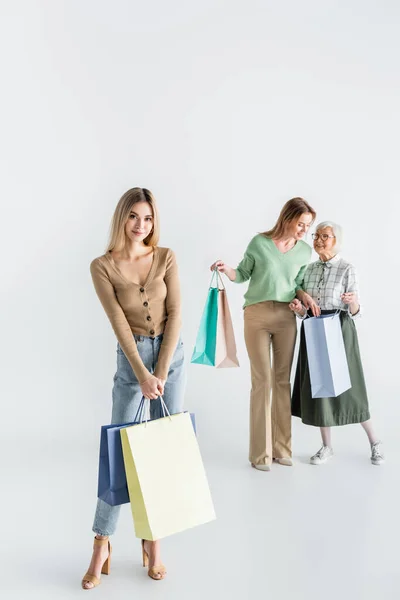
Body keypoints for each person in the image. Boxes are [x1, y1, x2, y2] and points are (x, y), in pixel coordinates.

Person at [81, 187, 185, 588]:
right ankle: (101, 543)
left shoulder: (166, 257)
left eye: (148, 218)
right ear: (121, 218)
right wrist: (142, 373)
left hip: (171, 360)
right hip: (132, 362)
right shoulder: (102, 266)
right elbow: (119, 324)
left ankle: (152, 539)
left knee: (162, 451)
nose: (141, 225)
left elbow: (176, 313)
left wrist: (160, 370)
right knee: (118, 451)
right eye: (134, 217)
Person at [210, 198, 316, 471]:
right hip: (256, 315)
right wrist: (225, 269)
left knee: (282, 382)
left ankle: (282, 449)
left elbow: (299, 285)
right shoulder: (259, 243)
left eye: (308, 225)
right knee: (262, 381)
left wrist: (302, 299)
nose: (304, 230)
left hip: (285, 317)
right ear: (287, 217)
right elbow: (242, 274)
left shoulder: (304, 252)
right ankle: (260, 454)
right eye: (300, 223)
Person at [290, 221, 384, 466]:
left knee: (352, 388)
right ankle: (326, 447)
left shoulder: (346, 268)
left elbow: (355, 310)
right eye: (317, 235)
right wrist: (299, 309)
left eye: (326, 236)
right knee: (320, 387)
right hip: (313, 327)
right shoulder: (307, 269)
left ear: (336, 240)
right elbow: (303, 311)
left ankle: (375, 442)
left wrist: (351, 301)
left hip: (340, 329)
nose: (319, 240)